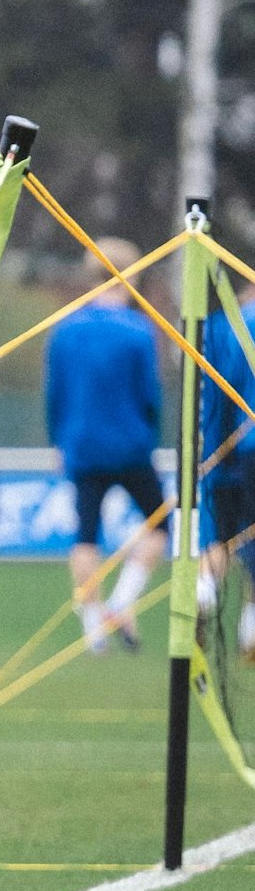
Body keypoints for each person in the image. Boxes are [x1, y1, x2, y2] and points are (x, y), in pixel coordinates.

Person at [44, 236, 164, 654]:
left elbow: (54, 394)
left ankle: (94, 625)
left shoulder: (65, 329)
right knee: (161, 523)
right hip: (130, 446)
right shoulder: (137, 330)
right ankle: (122, 600)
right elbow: (149, 394)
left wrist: (60, 439)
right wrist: (149, 431)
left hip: (82, 446)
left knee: (86, 536)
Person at [199, 274, 255, 659]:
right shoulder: (237, 324)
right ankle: (250, 631)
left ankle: (202, 598)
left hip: (224, 448)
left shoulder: (219, 326)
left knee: (220, 537)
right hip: (244, 442)